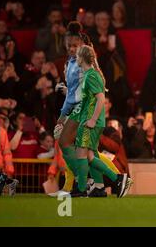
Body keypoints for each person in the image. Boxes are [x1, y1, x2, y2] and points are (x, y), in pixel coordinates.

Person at [54, 21, 124, 198]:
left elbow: (96, 94)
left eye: (74, 46)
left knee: (70, 145)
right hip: (83, 109)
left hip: (84, 109)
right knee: (89, 152)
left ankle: (86, 181)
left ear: (82, 47)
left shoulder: (83, 67)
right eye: (68, 45)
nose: (71, 49)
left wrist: (64, 116)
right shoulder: (74, 63)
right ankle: (98, 184)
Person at [72, 45, 131, 198]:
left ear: (82, 58)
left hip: (91, 121)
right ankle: (100, 186)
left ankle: (85, 187)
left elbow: (100, 98)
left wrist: (91, 120)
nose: (75, 58)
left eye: (77, 56)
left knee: (82, 153)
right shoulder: (92, 74)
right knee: (91, 156)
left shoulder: (91, 75)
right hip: (93, 120)